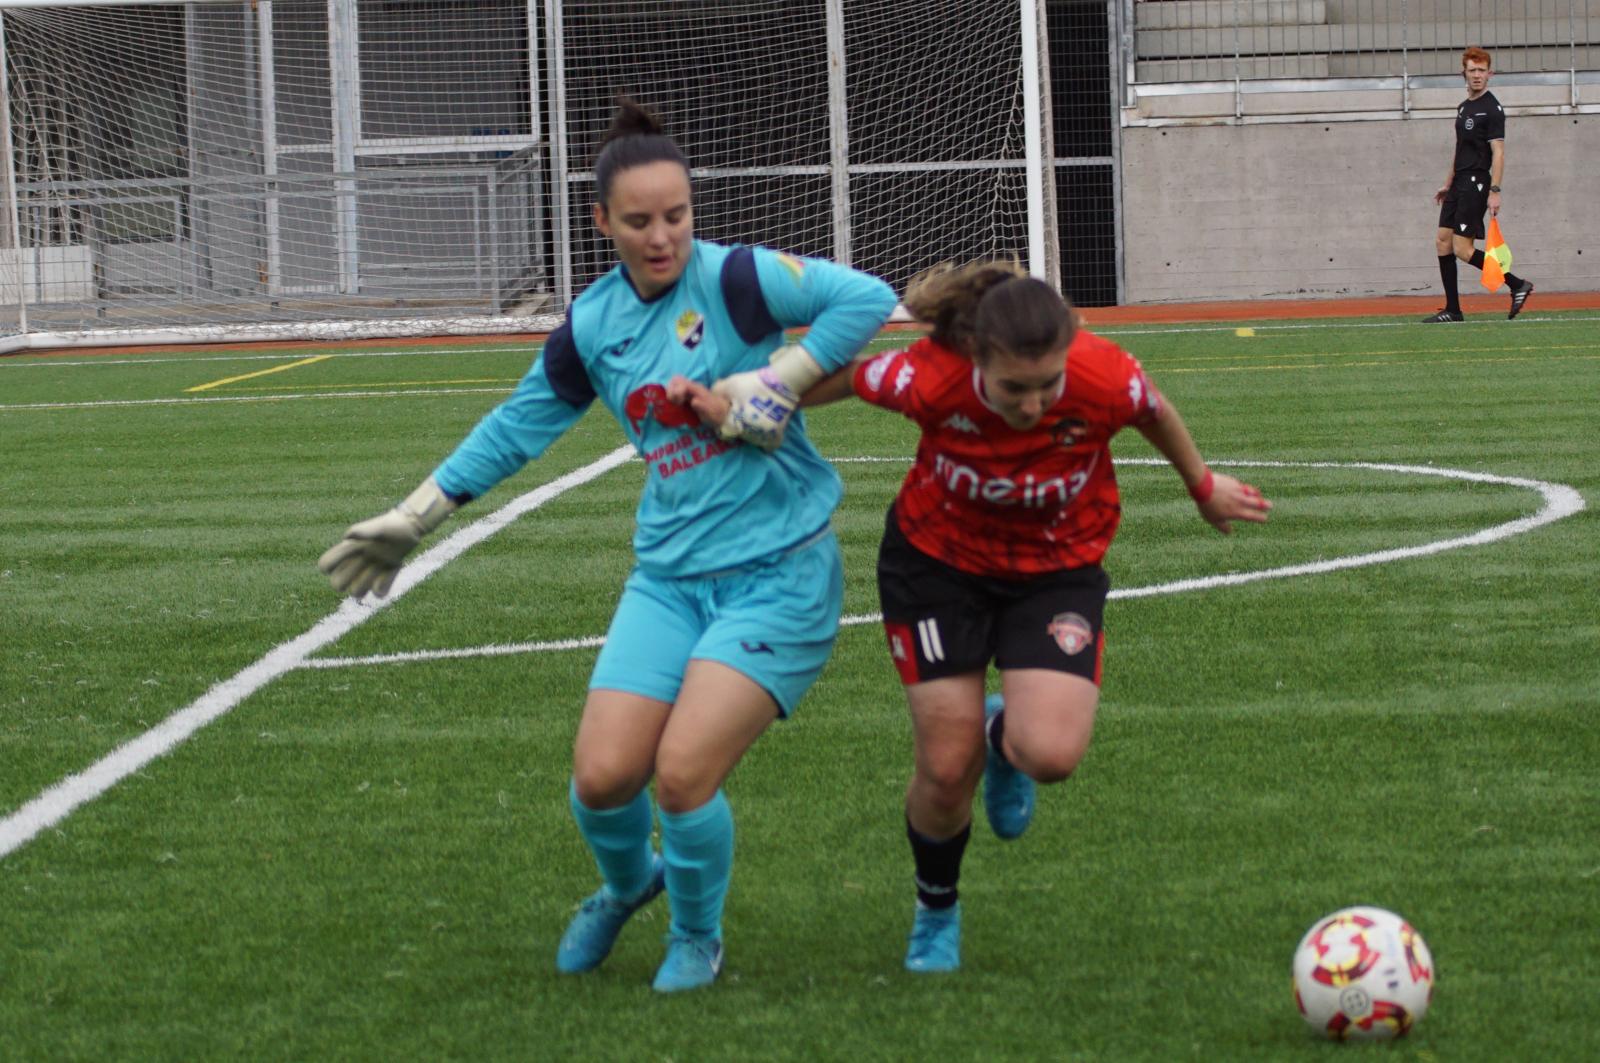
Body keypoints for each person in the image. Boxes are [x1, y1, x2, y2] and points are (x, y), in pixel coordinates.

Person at [316, 96, 896, 993]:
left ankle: (696, 936)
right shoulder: (592, 324)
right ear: (602, 223)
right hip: (667, 579)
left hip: (779, 576)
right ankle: (632, 885)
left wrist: (773, 380)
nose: (662, 236)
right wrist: (417, 514)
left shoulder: (740, 278)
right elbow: (517, 426)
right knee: (601, 778)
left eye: (677, 215)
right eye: (639, 221)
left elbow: (866, 298)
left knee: (681, 777)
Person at [682, 260, 1271, 973]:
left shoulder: (1102, 373)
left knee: (1050, 754)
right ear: (976, 359)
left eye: (1047, 384)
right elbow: (848, 378)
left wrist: (1203, 487)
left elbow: (1153, 410)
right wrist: (764, 400)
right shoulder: (932, 374)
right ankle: (936, 909)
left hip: (1056, 572)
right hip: (936, 568)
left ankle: (1005, 735)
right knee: (944, 764)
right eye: (1013, 387)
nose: (1032, 403)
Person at [1424, 46, 1534, 323]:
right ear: (1464, 73)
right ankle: (1453, 310)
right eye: (1472, 70)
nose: (1476, 75)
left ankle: (1516, 283)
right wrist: (1447, 183)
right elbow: (1459, 148)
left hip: (1476, 183)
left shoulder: (1491, 109)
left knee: (1463, 249)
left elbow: (1498, 152)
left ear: (1490, 74)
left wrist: (1494, 191)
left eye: (1481, 71)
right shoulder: (1464, 108)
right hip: (1459, 182)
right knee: (1442, 242)